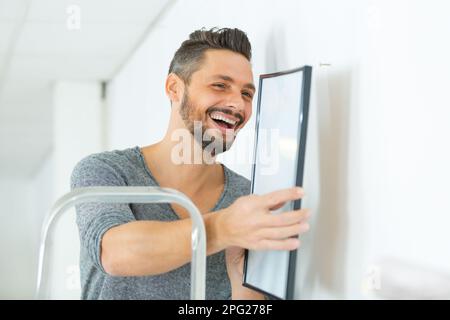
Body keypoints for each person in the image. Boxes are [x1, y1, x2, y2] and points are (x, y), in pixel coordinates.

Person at [71, 27, 311, 300]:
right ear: (174, 88)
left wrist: (242, 280)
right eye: (220, 85)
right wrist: (223, 228)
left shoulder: (245, 202)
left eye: (246, 94)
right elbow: (115, 253)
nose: (237, 104)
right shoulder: (106, 171)